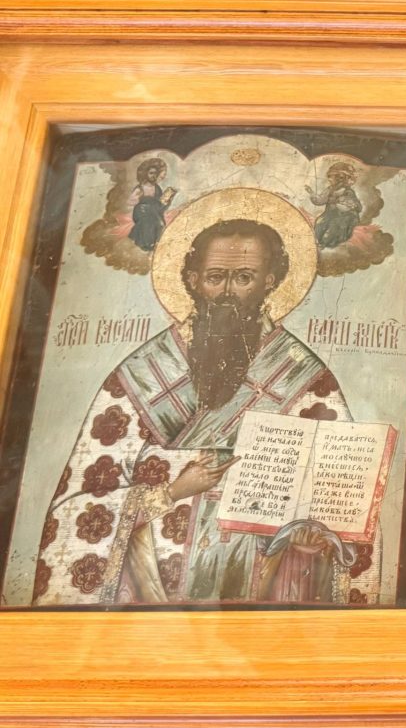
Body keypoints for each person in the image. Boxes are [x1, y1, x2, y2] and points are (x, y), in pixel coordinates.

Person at [33, 217, 377, 606]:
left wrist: (312, 539)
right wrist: (173, 491)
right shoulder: (142, 373)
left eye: (244, 277)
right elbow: (81, 501)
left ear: (269, 281)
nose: (228, 291)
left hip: (260, 587)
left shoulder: (303, 376)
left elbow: (342, 500)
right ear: (193, 280)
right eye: (215, 277)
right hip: (149, 592)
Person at [306, 162, 363, 249]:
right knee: (319, 222)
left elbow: (356, 207)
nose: (329, 179)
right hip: (330, 215)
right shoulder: (330, 189)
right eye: (329, 176)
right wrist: (311, 193)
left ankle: (325, 243)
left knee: (333, 226)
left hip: (344, 217)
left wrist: (342, 203)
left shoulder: (347, 192)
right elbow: (320, 201)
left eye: (331, 177)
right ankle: (317, 241)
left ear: (340, 178)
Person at [127, 158, 176, 253]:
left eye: (155, 173)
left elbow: (159, 204)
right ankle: (146, 244)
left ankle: (154, 244)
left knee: (160, 224)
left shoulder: (157, 188)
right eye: (151, 173)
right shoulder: (140, 188)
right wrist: (137, 197)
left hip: (154, 210)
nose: (153, 176)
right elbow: (130, 202)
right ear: (145, 174)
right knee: (152, 222)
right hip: (142, 211)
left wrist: (167, 201)